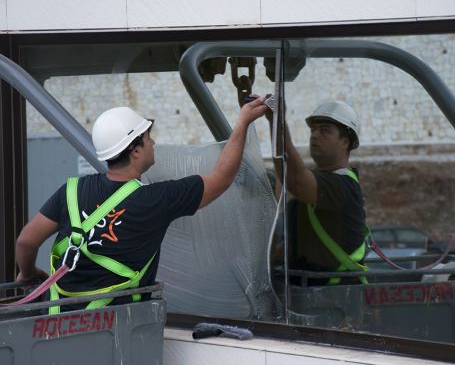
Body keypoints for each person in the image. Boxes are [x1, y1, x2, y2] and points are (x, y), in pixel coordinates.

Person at [15, 98, 267, 311]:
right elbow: (221, 179)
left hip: (55, 323)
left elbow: (26, 240)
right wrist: (243, 123)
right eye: (148, 137)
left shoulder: (71, 190)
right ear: (135, 150)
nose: (154, 143)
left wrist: (27, 274)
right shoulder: (157, 199)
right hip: (116, 327)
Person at [267, 100, 367, 286]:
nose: (314, 136)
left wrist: (276, 121)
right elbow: (287, 178)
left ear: (345, 142)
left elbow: (294, 178)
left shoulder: (341, 185)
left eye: (325, 130)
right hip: (308, 296)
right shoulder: (316, 182)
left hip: (335, 301)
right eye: (313, 130)